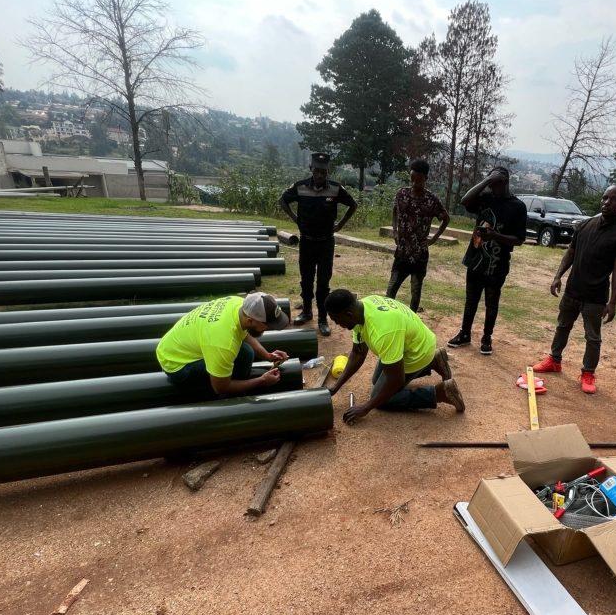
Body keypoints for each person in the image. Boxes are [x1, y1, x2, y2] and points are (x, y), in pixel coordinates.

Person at [533, 184, 616, 394]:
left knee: (593, 337)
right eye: (605, 198)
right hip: (572, 290)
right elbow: (570, 252)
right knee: (562, 326)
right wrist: (557, 276)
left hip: (596, 297)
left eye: (614, 199)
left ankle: (588, 373)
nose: (607, 203)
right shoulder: (585, 225)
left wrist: (612, 302)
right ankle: (554, 360)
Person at [324, 288, 466, 424]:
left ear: (348, 314)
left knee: (383, 399)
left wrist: (366, 407)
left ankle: (441, 392)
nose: (337, 324)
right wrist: (336, 386)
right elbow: (358, 352)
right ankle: (434, 360)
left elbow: (396, 380)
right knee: (376, 381)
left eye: (337, 320)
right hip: (411, 343)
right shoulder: (361, 309)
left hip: (417, 352)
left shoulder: (383, 331)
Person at [447, 166, 527, 356]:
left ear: (505, 181)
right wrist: (485, 181)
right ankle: (465, 334)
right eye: (491, 183)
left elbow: (519, 239)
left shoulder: (517, 206)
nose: (493, 187)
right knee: (471, 300)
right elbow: (464, 200)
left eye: (497, 182)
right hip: (476, 259)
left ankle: (486, 337)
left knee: (491, 302)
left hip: (497, 264)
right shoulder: (485, 198)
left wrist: (495, 236)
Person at [279, 152, 357, 337]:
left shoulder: (336, 189)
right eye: (317, 171)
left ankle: (323, 318)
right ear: (311, 169)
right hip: (306, 242)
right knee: (306, 280)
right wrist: (295, 218)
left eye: (323, 172)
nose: (320, 175)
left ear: (328, 171)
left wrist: (340, 225)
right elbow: (282, 200)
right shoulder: (300, 187)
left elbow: (353, 205)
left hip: (326, 244)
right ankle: (306, 312)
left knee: (323, 283)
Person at [156, 292, 290, 397]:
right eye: (267, 326)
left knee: (247, 353)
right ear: (250, 320)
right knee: (230, 371)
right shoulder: (223, 343)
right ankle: (227, 402)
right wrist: (261, 381)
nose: (268, 329)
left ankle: (238, 384)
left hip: (176, 345)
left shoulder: (238, 304)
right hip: (176, 365)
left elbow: (245, 334)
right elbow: (221, 387)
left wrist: (268, 356)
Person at [387, 159, 450, 312]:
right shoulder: (401, 194)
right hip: (401, 252)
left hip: (419, 254)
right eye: (412, 178)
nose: (415, 182)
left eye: (419, 179)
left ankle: (412, 321)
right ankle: (387, 318)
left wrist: (434, 238)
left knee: (415, 292)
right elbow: (395, 211)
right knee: (390, 291)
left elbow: (446, 218)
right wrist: (395, 230)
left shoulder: (432, 200)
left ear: (425, 179)